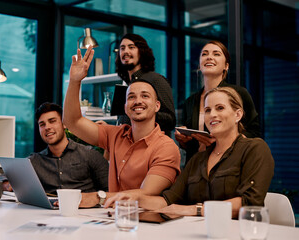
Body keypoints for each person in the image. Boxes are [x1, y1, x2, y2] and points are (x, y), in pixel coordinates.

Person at [105, 87, 274, 219]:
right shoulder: (198, 159)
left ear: (238, 114)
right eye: (207, 110)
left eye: (220, 108)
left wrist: (195, 209)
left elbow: (249, 202)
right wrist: (133, 199)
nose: (212, 114)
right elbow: (169, 200)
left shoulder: (255, 149)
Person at [63, 46, 180, 207]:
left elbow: (145, 193)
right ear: (125, 107)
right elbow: (72, 122)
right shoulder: (116, 134)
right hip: (114, 218)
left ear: (157, 106)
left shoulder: (166, 147)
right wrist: (75, 81)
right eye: (131, 97)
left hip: (148, 224)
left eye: (145, 96)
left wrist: (99, 197)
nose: (138, 101)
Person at [176, 40, 261, 164]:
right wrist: (183, 140)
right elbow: (192, 147)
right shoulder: (190, 102)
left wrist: (224, 140)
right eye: (204, 54)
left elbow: (254, 133)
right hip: (197, 169)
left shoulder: (238, 93)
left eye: (216, 54)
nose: (209, 57)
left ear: (226, 66)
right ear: (199, 65)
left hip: (229, 165)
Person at [0, 102, 109, 194]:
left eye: (52, 121)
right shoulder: (35, 160)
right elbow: (1, 177)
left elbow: (110, 189)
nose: (47, 127)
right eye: (42, 124)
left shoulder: (89, 154)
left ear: (64, 124)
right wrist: (7, 184)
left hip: (86, 215)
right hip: (48, 216)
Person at [115, 33, 176, 134]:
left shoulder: (155, 79)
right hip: (127, 145)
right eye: (122, 48)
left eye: (131, 47)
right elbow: (122, 122)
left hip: (152, 146)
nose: (126, 51)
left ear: (142, 51)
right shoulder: (125, 85)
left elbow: (170, 120)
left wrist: (144, 113)